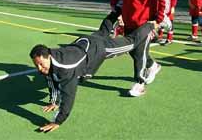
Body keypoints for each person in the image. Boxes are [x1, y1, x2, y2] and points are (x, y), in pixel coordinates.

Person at [29, 13, 158, 132]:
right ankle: (117, 10)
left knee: (131, 42)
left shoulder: (65, 69)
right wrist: (54, 101)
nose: (39, 68)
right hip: (84, 41)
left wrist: (58, 121)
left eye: (41, 64)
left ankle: (153, 23)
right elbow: (51, 78)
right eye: (37, 65)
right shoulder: (50, 58)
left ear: (49, 56)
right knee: (103, 30)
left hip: (98, 49)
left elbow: (68, 96)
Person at [110, 0, 170, 97]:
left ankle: (140, 83)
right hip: (129, 20)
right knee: (132, 50)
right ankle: (153, 65)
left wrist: (158, 20)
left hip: (146, 21)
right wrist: (116, 11)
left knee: (141, 51)